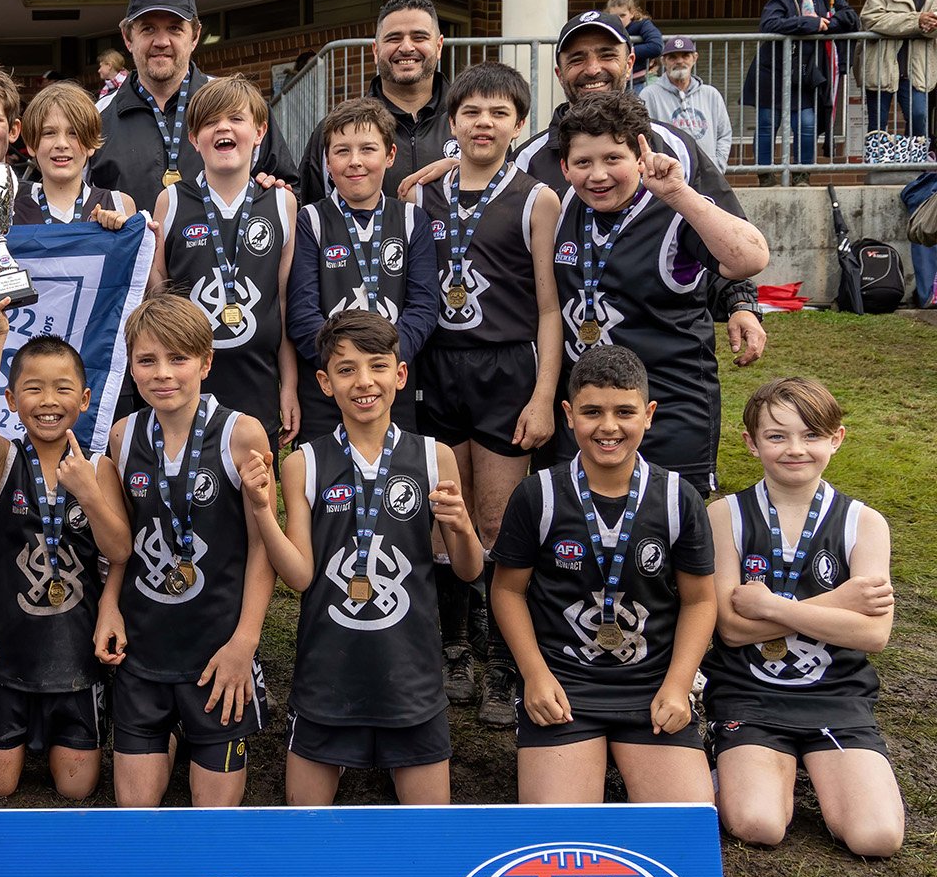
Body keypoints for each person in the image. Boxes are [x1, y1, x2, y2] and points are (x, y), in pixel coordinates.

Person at [399, 11, 769, 385]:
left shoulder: (673, 148)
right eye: (577, 59)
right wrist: (457, 166)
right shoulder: (528, 159)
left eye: (606, 54)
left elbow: (721, 232)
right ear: (560, 74)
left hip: (665, 366)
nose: (593, 69)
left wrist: (740, 303)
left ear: (629, 62)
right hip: (571, 375)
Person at [246, 310, 480, 806]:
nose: (364, 381)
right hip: (327, 677)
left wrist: (461, 529)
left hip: (411, 677)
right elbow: (301, 576)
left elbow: (468, 569)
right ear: (324, 382)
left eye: (377, 366)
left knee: (426, 843)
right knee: (307, 839)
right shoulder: (304, 462)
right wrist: (263, 512)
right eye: (346, 369)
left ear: (400, 374)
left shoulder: (435, 456)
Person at [489, 345, 716, 806]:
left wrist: (677, 685)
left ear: (648, 414)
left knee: (682, 827)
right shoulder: (538, 495)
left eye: (625, 412)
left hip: (650, 686)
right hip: (564, 686)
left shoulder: (678, 498)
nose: (609, 427)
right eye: (592, 412)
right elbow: (508, 591)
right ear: (569, 415)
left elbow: (700, 601)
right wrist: (534, 676)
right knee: (561, 830)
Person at [407, 62, 561, 727]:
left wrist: (544, 394)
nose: (484, 123)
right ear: (453, 121)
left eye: (499, 113)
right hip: (439, 366)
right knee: (447, 510)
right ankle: (454, 648)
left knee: (496, 517)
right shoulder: (422, 197)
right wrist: (415, 178)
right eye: (471, 112)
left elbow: (551, 310)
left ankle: (502, 662)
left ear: (518, 125)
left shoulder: (538, 198)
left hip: (506, 369)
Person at [704, 377, 904, 858]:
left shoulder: (865, 523)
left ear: (836, 438)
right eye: (777, 436)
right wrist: (840, 602)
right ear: (751, 444)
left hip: (836, 695)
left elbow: (873, 634)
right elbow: (731, 631)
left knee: (875, 838)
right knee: (759, 825)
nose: (796, 449)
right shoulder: (722, 515)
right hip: (748, 693)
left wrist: (771, 606)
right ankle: (738, 758)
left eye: (811, 435)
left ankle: (811, 766)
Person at [95, 295, 275, 808]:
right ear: (131, 366)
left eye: (178, 359)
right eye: (147, 360)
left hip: (217, 657)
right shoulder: (123, 437)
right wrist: (109, 605)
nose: (162, 374)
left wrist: (244, 642)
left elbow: (263, 548)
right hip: (143, 653)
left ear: (207, 361)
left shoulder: (242, 434)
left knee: (213, 823)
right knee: (135, 817)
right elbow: (121, 544)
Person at [547, 92, 770, 496]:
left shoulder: (673, 211)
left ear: (639, 157)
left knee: (669, 533)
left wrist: (679, 194)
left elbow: (750, 258)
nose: (597, 175)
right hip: (587, 410)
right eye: (583, 162)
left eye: (612, 158)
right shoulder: (558, 207)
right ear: (564, 167)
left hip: (669, 407)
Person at [0, 281, 132, 801]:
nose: (48, 401)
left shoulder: (98, 467)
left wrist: (89, 491)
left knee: (77, 790)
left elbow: (120, 550)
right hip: (8, 661)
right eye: (32, 389)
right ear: (12, 400)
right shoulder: (3, 461)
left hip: (76, 665)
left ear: (84, 399)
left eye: (63, 389)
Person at [147, 75, 298, 442]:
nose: (223, 128)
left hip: (257, 380)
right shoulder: (171, 202)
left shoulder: (283, 203)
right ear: (194, 139)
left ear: (260, 131)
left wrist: (289, 384)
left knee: (254, 488)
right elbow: (158, 293)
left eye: (236, 118)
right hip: (188, 383)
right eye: (211, 122)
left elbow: (283, 302)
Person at [287, 97, 440, 444]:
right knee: (326, 486)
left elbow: (424, 306)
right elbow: (301, 312)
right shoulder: (309, 221)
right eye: (342, 151)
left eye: (367, 149)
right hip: (328, 386)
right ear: (327, 162)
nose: (355, 162)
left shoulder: (412, 220)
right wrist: (343, 365)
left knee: (397, 483)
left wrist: (383, 364)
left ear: (389, 155)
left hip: (392, 385)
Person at [92, 0, 297, 212]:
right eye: (148, 29)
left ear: (195, 36)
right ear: (128, 37)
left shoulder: (238, 106)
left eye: (175, 29)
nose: (161, 41)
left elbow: (290, 194)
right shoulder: (96, 117)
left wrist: (275, 190)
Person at [298, 0, 453, 206]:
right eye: (394, 38)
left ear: (438, 46)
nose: (406, 47)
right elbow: (307, 214)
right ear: (375, 50)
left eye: (419, 37)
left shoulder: (470, 124)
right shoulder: (335, 130)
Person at [744, 0, 860, 174]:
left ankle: (801, 175)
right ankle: (765, 175)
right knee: (767, 125)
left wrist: (826, 25)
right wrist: (809, 23)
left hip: (806, 76)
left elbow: (851, 19)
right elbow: (768, 24)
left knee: (806, 124)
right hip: (772, 73)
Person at [11, 80, 137, 226]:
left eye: (74, 133)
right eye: (49, 133)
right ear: (31, 145)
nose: (62, 144)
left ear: (91, 144)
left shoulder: (119, 205)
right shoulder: (11, 214)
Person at [860, 0, 937, 141]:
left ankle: (913, 166)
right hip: (881, 64)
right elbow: (872, 19)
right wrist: (917, 21)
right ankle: (878, 166)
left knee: (919, 116)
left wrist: (931, 25)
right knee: (878, 123)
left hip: (918, 67)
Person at [641, 38, 734, 169]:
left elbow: (724, 134)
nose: (679, 61)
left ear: (694, 58)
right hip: (669, 174)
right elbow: (645, 136)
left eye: (685, 56)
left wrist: (718, 165)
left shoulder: (711, 94)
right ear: (663, 61)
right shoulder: (649, 95)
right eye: (672, 57)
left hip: (708, 174)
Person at [607, 0, 664, 84]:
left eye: (622, 15)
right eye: (614, 17)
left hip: (638, 80)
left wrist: (625, 51)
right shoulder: (605, 29)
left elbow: (656, 46)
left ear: (632, 14)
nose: (618, 20)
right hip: (614, 82)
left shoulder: (642, 24)